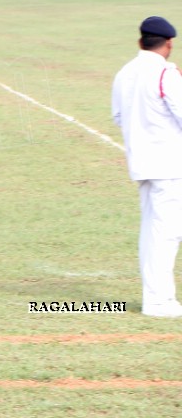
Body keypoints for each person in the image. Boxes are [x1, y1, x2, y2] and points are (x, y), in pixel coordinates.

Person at [111, 16, 182, 317]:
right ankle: (158, 301)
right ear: (168, 44)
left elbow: (118, 116)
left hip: (141, 162)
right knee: (166, 231)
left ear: (141, 41)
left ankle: (157, 297)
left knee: (153, 230)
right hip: (169, 163)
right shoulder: (166, 73)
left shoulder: (125, 72)